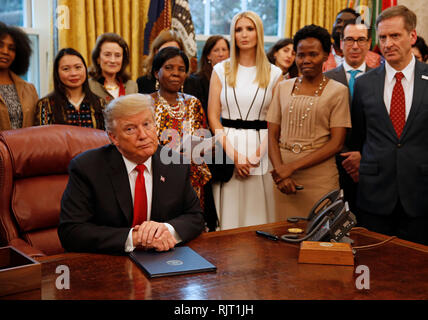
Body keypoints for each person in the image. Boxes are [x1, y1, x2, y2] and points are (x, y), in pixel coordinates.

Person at [58, 93, 205, 254]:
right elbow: (71, 231)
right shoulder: (87, 168)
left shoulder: (175, 163)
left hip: (163, 258)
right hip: (109, 261)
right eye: (130, 129)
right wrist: (133, 238)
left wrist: (166, 229)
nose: (143, 135)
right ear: (114, 137)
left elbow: (195, 217)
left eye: (147, 124)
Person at [350, 5, 428, 245]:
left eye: (395, 36)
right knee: (372, 269)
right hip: (374, 195)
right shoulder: (364, 84)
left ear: (412, 36)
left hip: (421, 195)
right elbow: (357, 136)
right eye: (383, 37)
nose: (387, 43)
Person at [267, 24, 351, 219]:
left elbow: (336, 143)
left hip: (320, 178)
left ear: (325, 55)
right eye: (301, 55)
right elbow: (272, 133)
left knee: (320, 239)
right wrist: (281, 170)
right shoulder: (282, 88)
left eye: (313, 54)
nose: (306, 60)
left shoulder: (338, 91)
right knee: (284, 237)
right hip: (284, 180)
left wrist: (291, 168)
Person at [208, 11, 282, 229]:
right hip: (227, 145)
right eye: (238, 29)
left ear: (258, 32)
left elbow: (275, 121)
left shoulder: (275, 73)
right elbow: (213, 116)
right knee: (228, 216)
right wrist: (234, 156)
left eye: (249, 29)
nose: (244, 34)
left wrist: (257, 154)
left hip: (264, 148)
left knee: (260, 215)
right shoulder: (220, 70)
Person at [150, 47, 216, 231]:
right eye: (169, 68)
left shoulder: (193, 102)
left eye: (181, 69)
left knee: (191, 231)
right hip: (160, 178)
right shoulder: (146, 104)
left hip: (193, 178)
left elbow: (206, 138)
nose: (176, 74)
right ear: (157, 72)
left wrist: (206, 148)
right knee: (163, 232)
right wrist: (174, 154)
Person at [324, 21, 373, 213]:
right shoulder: (326, 79)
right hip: (331, 163)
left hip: (368, 164)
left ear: (369, 43)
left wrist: (363, 156)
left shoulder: (380, 78)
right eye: (349, 39)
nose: (355, 46)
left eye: (361, 40)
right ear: (341, 43)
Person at [35, 48, 105, 129]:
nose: (73, 73)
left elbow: (106, 137)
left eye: (78, 67)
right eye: (66, 69)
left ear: (85, 69)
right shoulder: (46, 105)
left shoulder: (100, 103)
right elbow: (43, 138)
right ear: (57, 73)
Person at [0, 22, 38, 131]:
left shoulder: (29, 89)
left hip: (26, 147)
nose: (5, 52)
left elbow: (37, 128)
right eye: (0, 45)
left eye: (12, 48)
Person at [323, 8, 381, 72]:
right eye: (338, 21)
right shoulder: (321, 55)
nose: (341, 25)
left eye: (347, 23)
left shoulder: (375, 60)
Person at [184, 35, 230, 114]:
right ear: (208, 56)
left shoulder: (234, 79)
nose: (221, 54)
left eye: (224, 50)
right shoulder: (195, 81)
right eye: (216, 50)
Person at [88, 33, 137, 103]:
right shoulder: (88, 86)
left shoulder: (132, 87)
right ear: (98, 58)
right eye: (107, 55)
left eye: (117, 55)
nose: (112, 60)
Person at [137, 29, 185, 94]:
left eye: (175, 52)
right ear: (156, 52)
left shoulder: (193, 83)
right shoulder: (143, 82)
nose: (170, 56)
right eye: (165, 51)